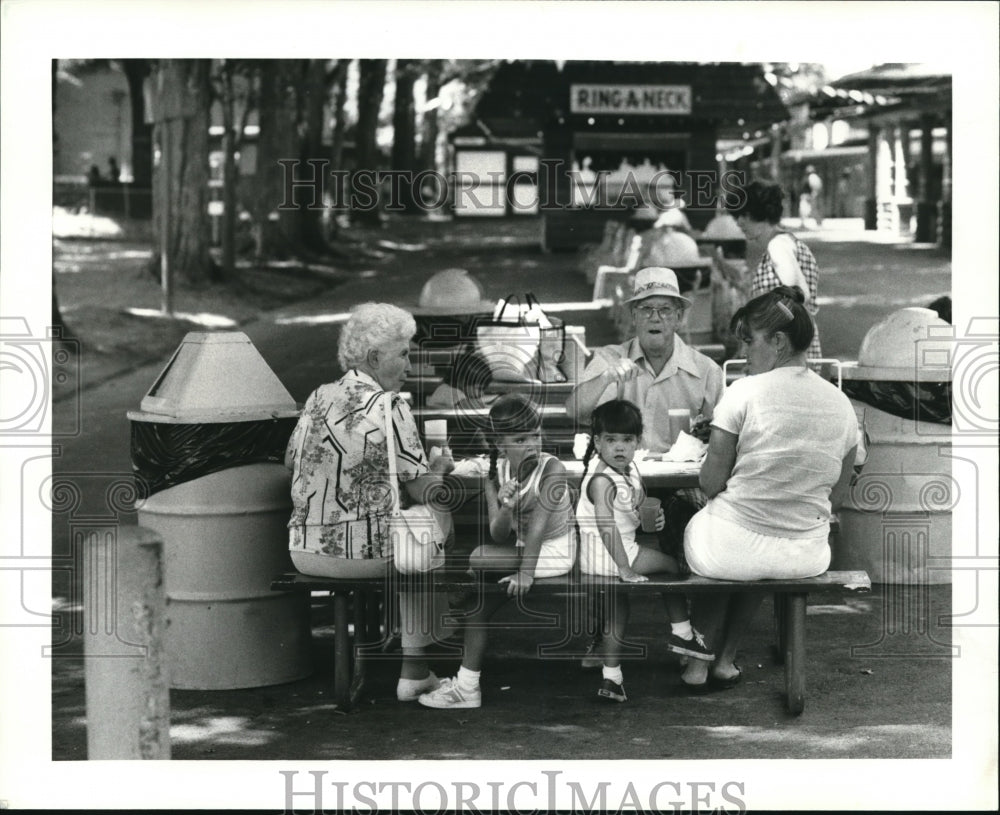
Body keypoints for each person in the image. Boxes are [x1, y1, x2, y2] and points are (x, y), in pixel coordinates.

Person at [679, 286, 858, 691]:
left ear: (778, 341)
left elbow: (710, 483)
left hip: (730, 550)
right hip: (805, 554)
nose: (743, 352)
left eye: (749, 340)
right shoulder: (841, 403)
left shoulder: (743, 392)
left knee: (714, 530)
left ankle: (696, 662)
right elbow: (837, 498)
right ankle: (725, 659)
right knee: (758, 554)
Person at [284, 302, 456, 702]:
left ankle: (391, 642)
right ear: (376, 357)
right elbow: (419, 490)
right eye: (404, 354)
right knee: (429, 527)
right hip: (362, 555)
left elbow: (290, 460)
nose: (410, 365)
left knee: (410, 535)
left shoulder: (317, 397)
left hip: (304, 550)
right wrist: (442, 468)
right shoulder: (391, 406)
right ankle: (414, 669)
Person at [419, 393, 576, 709]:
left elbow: (539, 527)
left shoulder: (552, 468)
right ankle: (467, 688)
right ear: (500, 444)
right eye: (520, 438)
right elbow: (499, 532)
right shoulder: (495, 472)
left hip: (554, 551)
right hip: (523, 550)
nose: (532, 443)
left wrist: (525, 573)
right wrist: (505, 505)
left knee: (479, 556)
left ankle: (469, 582)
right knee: (479, 605)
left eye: (535, 434)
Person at [576, 399, 714, 703]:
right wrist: (626, 569)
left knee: (617, 608)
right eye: (610, 440)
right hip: (612, 554)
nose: (619, 447)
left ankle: (612, 680)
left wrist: (654, 515)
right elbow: (606, 526)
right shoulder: (602, 480)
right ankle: (683, 634)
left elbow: (635, 506)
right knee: (673, 568)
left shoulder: (626, 469)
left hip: (599, 556)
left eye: (627, 440)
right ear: (597, 442)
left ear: (638, 441)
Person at [565, 265, 724, 454]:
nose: (655, 318)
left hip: (683, 478)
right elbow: (575, 412)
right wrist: (605, 378)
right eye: (646, 309)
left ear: (679, 317)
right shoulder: (611, 358)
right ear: (634, 316)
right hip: (623, 476)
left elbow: (722, 437)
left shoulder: (706, 370)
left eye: (665, 310)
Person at [717, 179, 824, 360]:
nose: (739, 222)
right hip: (790, 350)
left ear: (761, 214)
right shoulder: (782, 243)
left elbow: (799, 296)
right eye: (738, 216)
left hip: (788, 353)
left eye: (745, 215)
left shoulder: (778, 246)